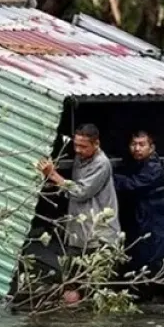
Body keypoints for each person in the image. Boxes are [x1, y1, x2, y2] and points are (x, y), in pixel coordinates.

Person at [37, 124, 120, 304]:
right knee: (70, 285)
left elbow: (81, 191)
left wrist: (53, 175)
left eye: (83, 146)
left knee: (94, 291)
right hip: (78, 235)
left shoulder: (101, 164)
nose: (78, 150)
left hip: (98, 239)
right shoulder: (80, 159)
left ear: (96, 144)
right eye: (76, 145)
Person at [113, 130, 164, 299]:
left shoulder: (153, 168)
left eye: (142, 144)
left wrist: (107, 177)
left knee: (152, 270)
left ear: (151, 147)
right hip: (141, 226)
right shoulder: (133, 164)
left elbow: (133, 185)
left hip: (155, 228)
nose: (137, 148)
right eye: (134, 144)